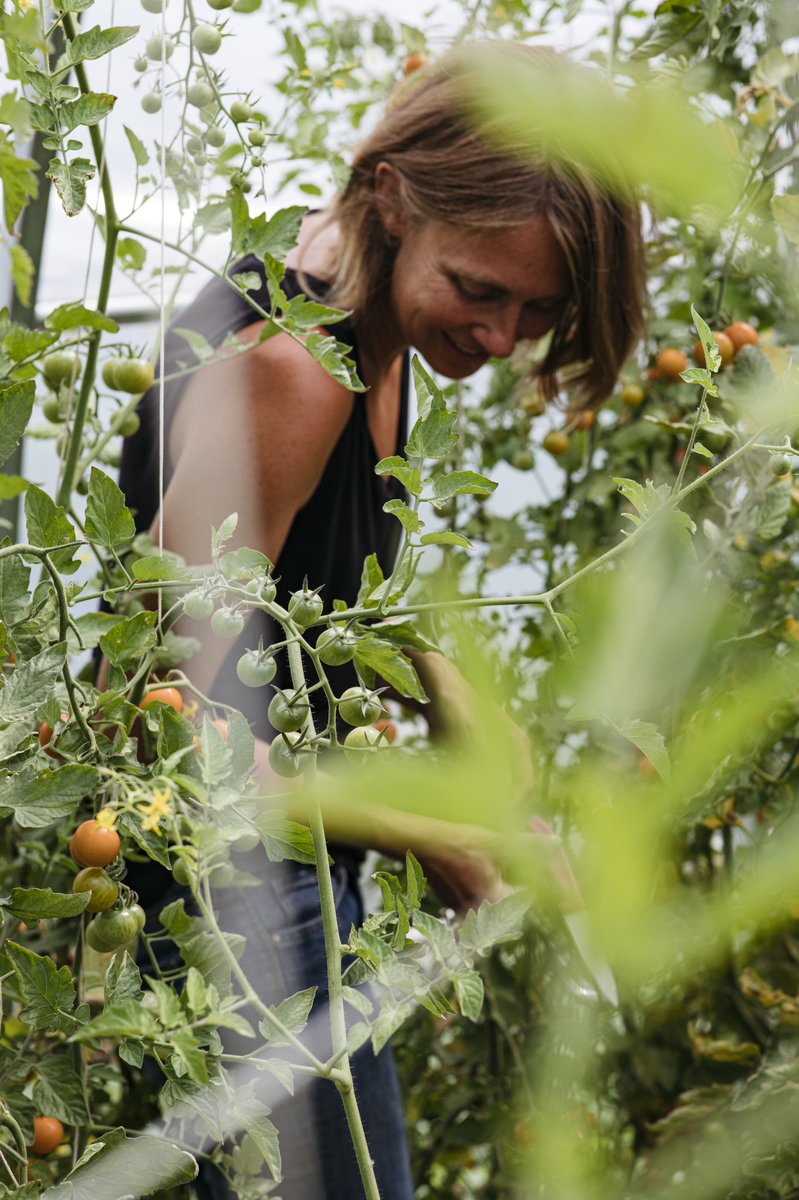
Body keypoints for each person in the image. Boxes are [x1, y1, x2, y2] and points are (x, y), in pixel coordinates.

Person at [109, 42, 646, 1200]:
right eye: (481, 291)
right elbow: (172, 711)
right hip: (233, 899)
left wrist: (434, 678)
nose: (501, 341)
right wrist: (436, 837)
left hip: (297, 861)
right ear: (395, 195)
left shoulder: (368, 308)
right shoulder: (294, 372)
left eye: (538, 308)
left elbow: (292, 579)